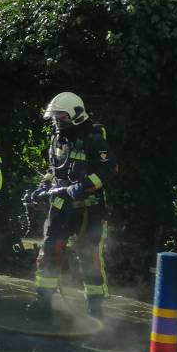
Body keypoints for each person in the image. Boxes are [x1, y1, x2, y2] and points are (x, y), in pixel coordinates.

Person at [27, 92, 118, 319]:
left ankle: (95, 307)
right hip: (61, 205)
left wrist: (82, 187)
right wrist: (41, 187)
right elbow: (54, 171)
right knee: (50, 249)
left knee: (89, 254)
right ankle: (43, 302)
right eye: (55, 117)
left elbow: (108, 171)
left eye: (62, 117)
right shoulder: (58, 139)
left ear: (77, 116)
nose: (58, 122)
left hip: (89, 207)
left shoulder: (94, 138)